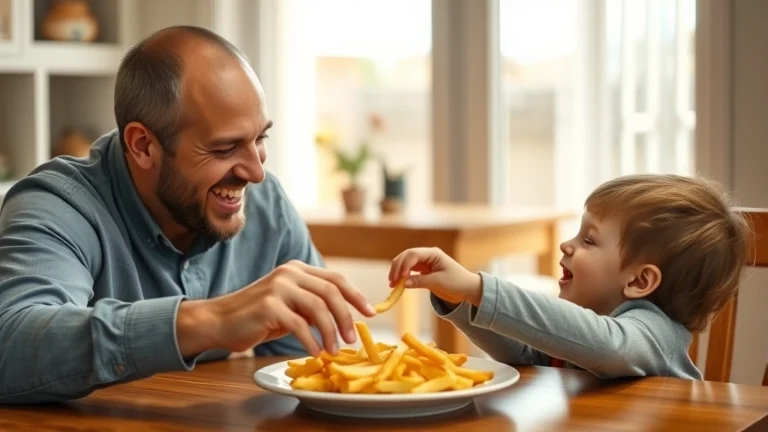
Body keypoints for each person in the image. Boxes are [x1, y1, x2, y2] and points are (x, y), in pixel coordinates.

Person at [0, 25, 376, 404]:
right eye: (224, 148)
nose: (256, 173)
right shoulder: (59, 205)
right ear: (143, 145)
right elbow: (10, 343)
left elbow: (314, 364)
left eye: (260, 138)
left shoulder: (266, 205)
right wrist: (212, 320)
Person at [388, 174, 751, 380]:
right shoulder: (591, 324)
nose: (566, 245)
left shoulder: (653, 334)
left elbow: (606, 345)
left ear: (639, 282)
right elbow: (528, 352)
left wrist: (478, 288)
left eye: (589, 240)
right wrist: (463, 300)